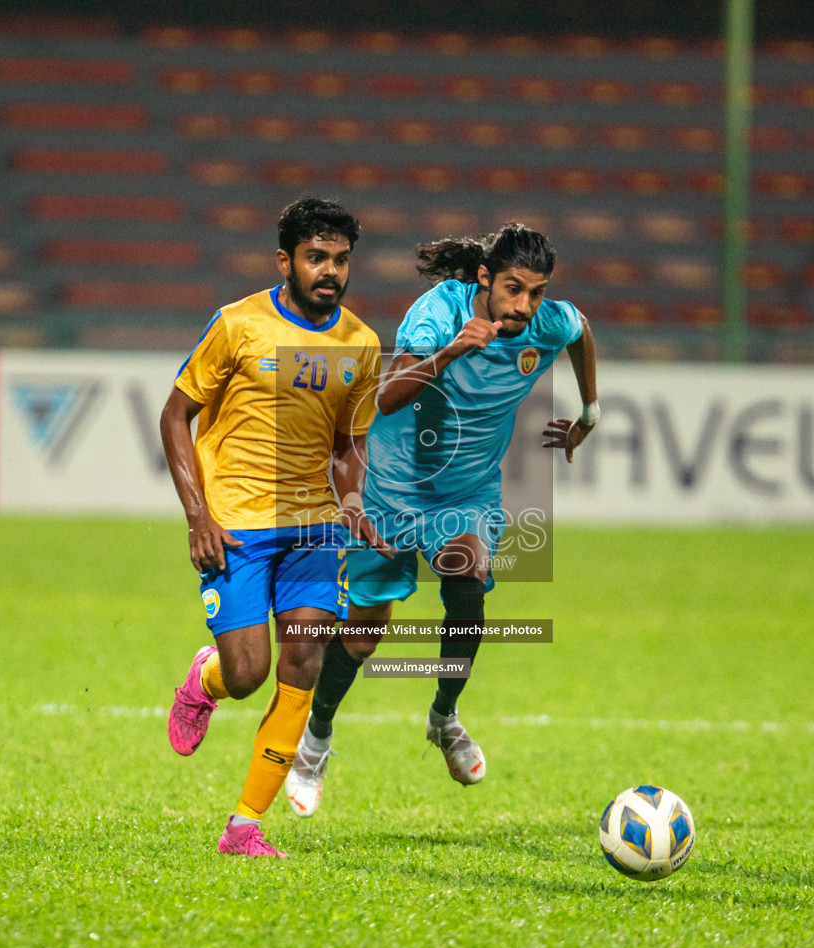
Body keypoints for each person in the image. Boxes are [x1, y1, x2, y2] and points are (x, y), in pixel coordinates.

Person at [283, 223, 599, 817]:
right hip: (390, 490)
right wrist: (453, 348)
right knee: (364, 633)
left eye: (535, 292)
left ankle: (444, 717)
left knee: (468, 580)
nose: (524, 306)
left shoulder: (548, 320)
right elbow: (390, 395)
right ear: (484, 279)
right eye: (512, 289)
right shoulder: (437, 312)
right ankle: (316, 739)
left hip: (467, 496)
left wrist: (590, 411)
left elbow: (580, 331)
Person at [159, 196, 389, 857]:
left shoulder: (363, 345)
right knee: (248, 671)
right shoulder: (238, 325)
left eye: (341, 260)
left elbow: (348, 446)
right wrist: (197, 514)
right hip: (236, 524)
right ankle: (206, 678)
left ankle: (243, 827)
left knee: (305, 657)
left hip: (315, 528)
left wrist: (353, 509)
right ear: (285, 261)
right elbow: (175, 415)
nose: (331, 272)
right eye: (317, 257)